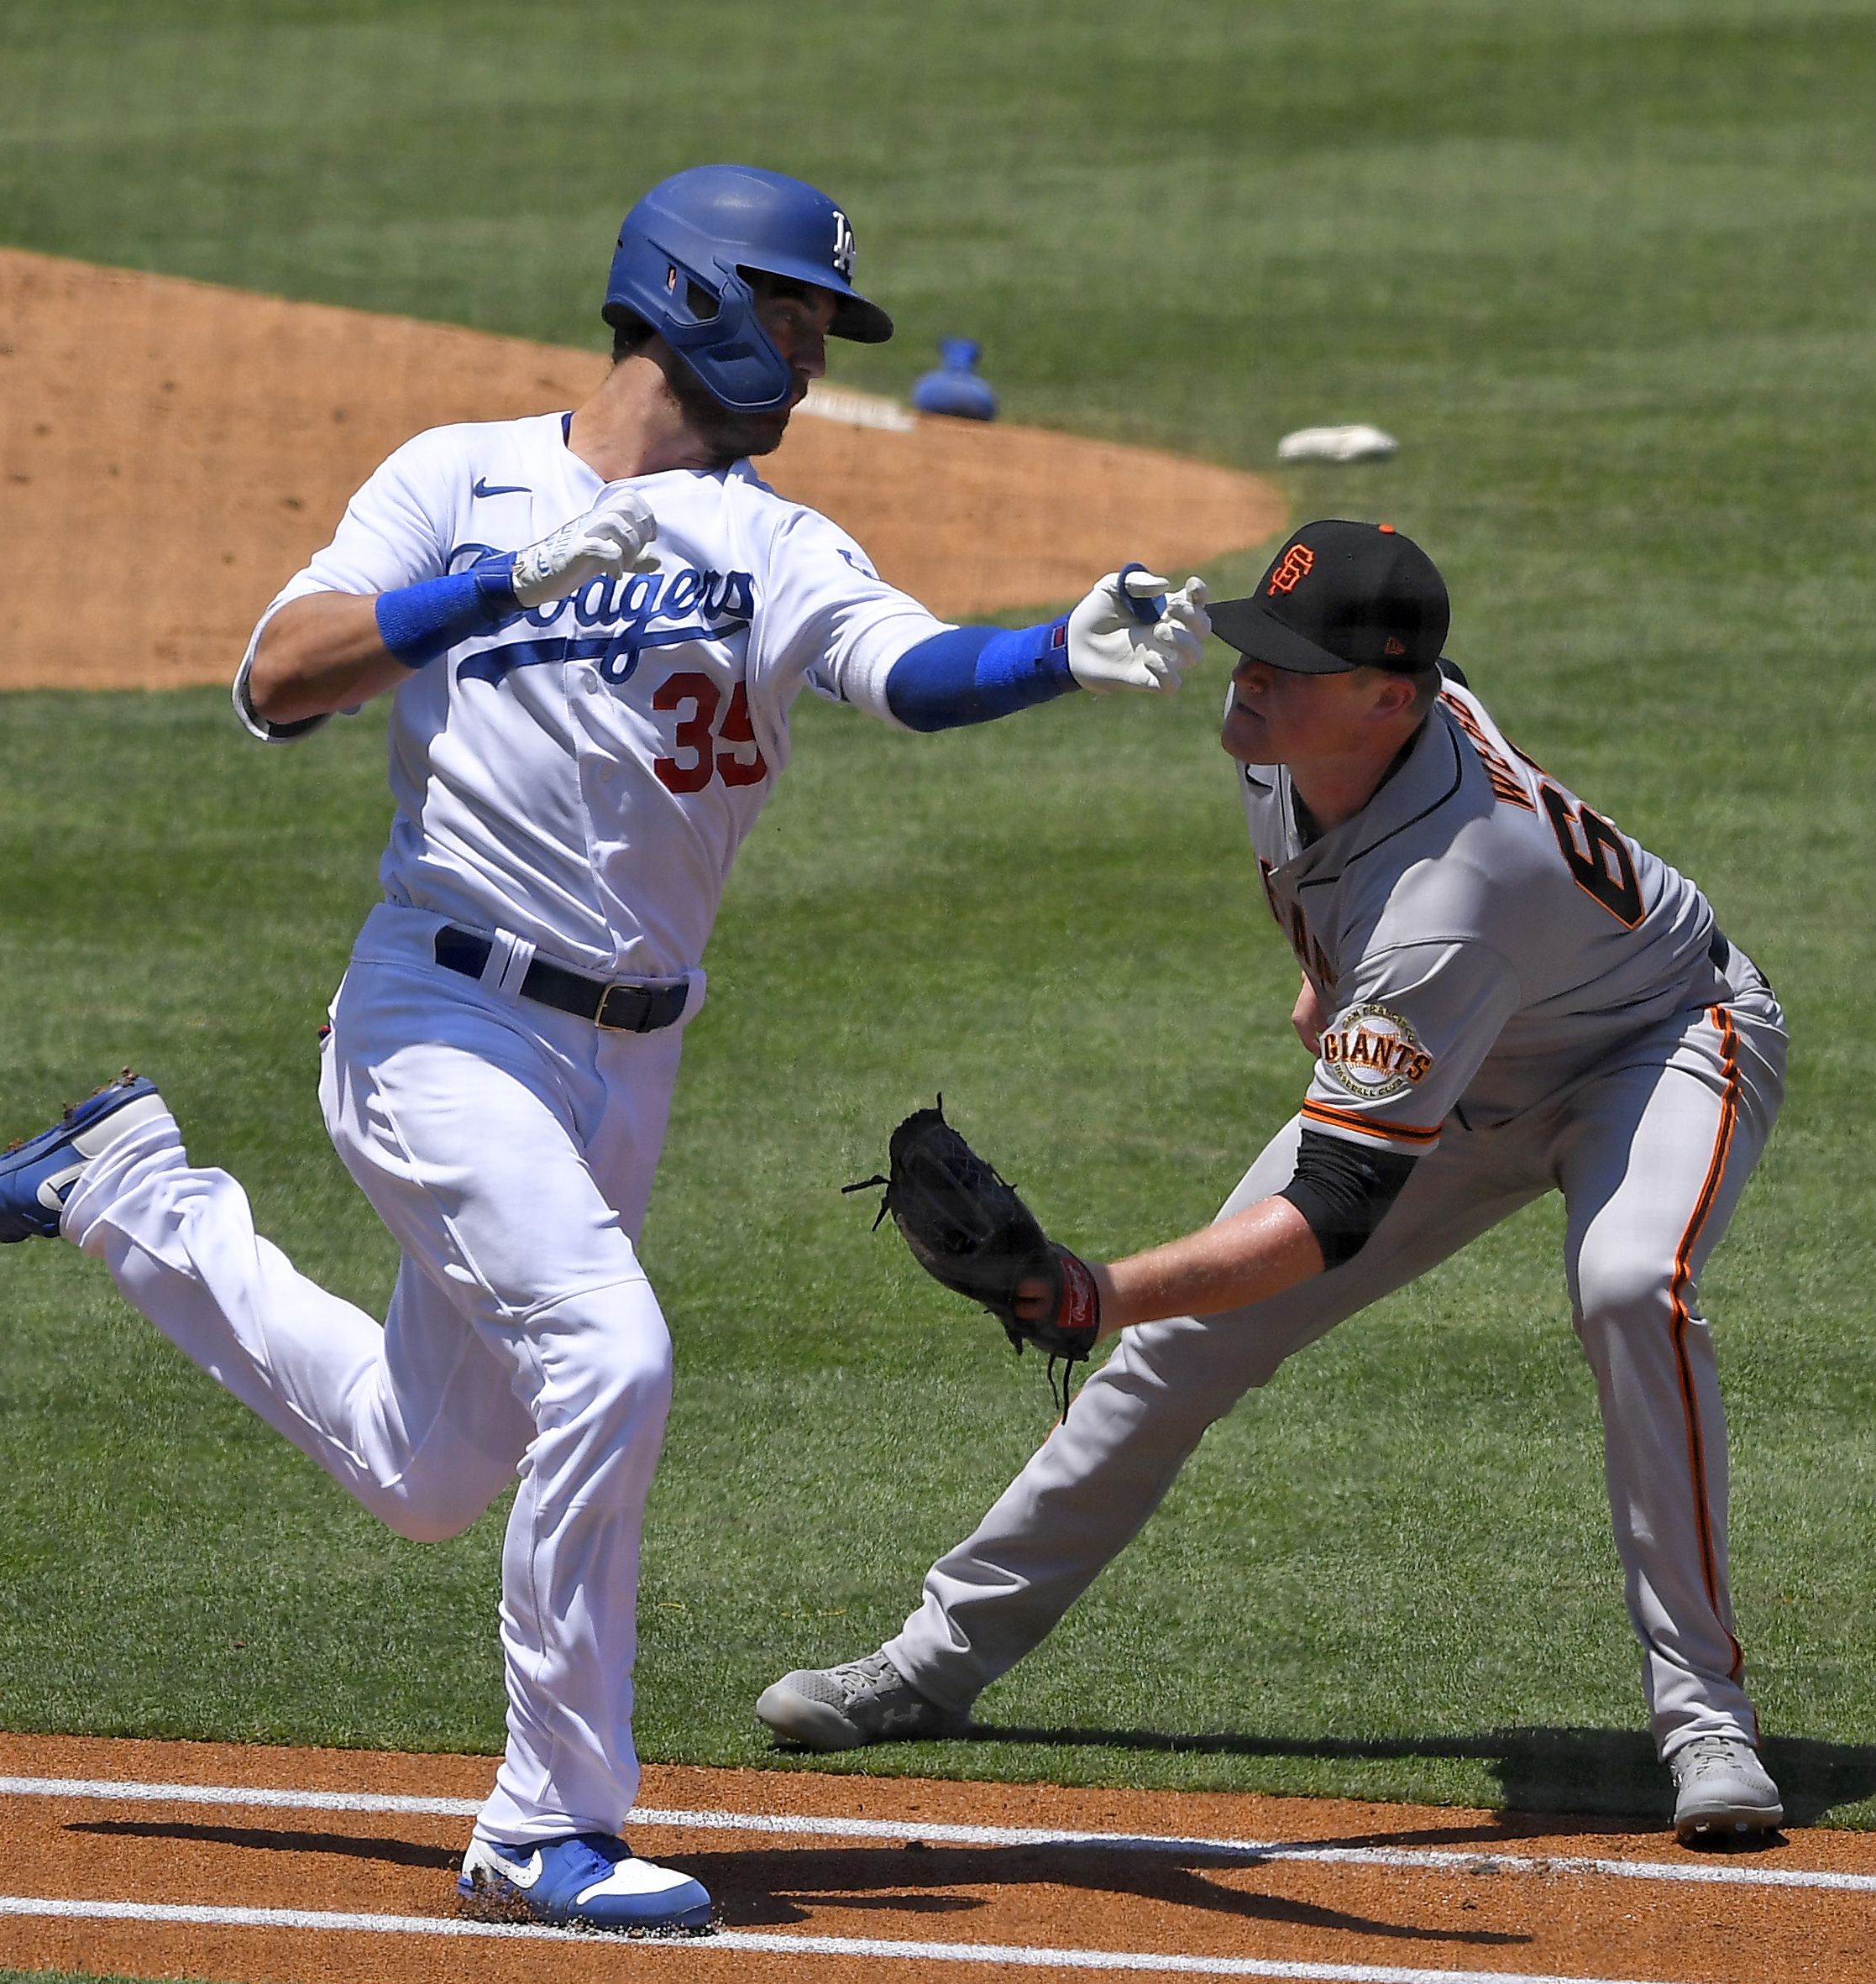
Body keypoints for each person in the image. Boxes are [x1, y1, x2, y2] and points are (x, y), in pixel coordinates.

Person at [0, 164, 1211, 1932]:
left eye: (825, 324)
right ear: (682, 290)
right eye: (792, 310)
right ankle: (545, 1826)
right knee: (613, 1354)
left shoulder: (775, 544)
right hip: (432, 1019)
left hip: (624, 1068)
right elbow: (274, 678)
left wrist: (1054, 650)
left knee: (429, 1469)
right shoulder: (455, 477)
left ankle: (131, 1188)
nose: (813, 354)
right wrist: (494, 583)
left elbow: (909, 670)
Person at [756, 521, 1793, 1842]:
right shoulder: (1305, 738)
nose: (1250, 678)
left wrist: (1091, 1290)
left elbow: (1328, 1216)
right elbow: (1410, 748)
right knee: (1180, 1350)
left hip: (1658, 1042)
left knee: (1628, 1284)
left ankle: (1703, 1716)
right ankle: (931, 1663)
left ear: (1388, 699)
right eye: (1255, 646)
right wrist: (1336, 978)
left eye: (1292, 666)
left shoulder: (1450, 895)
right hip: (1462, 1044)